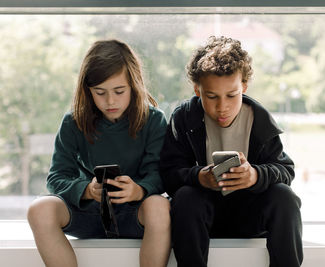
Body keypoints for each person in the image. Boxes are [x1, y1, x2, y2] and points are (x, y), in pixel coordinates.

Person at [160, 36, 303, 267]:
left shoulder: (260, 120)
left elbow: (285, 171)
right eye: (211, 96)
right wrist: (199, 177)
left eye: (231, 95)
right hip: (202, 217)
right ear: (197, 90)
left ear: (244, 87)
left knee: (285, 197)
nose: (222, 106)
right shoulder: (184, 118)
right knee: (186, 197)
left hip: (250, 217)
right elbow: (168, 174)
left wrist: (255, 175)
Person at [27, 39, 171, 267]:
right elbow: (56, 177)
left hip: (134, 213)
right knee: (39, 210)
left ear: (134, 85)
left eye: (119, 91)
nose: (110, 100)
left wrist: (138, 190)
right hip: (90, 214)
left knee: (160, 207)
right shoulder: (73, 121)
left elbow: (163, 174)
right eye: (100, 92)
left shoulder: (154, 120)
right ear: (88, 91)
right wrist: (86, 190)